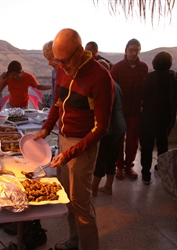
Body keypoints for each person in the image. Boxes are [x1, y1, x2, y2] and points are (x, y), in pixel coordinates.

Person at [34, 28, 114, 250]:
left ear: (80, 51)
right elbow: (58, 103)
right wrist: (46, 127)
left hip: (84, 144)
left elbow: (101, 128)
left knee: (80, 202)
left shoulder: (100, 78)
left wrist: (69, 153)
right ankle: (74, 241)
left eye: (65, 61)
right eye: (57, 61)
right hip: (64, 139)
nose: (62, 66)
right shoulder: (62, 69)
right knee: (67, 198)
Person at [140, 51, 177, 184]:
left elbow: (143, 96)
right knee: (163, 144)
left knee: (147, 145)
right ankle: (162, 168)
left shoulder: (150, 77)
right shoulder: (176, 77)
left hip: (149, 116)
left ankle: (146, 173)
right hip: (167, 117)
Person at [110, 38, 149, 180]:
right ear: (125, 51)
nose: (134, 53)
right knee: (119, 138)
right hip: (120, 110)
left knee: (133, 139)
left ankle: (129, 165)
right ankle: (119, 166)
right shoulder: (117, 68)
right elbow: (112, 90)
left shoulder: (144, 67)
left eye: (137, 50)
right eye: (131, 50)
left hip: (136, 110)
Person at [91, 59, 126, 196]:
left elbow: (103, 110)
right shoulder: (115, 84)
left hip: (109, 129)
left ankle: (93, 188)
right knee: (111, 159)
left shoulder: (104, 85)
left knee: (100, 159)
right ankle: (108, 187)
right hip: (120, 127)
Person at [42, 40, 60, 107]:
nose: (49, 63)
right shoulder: (54, 73)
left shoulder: (72, 74)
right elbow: (54, 97)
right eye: (48, 60)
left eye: (51, 59)